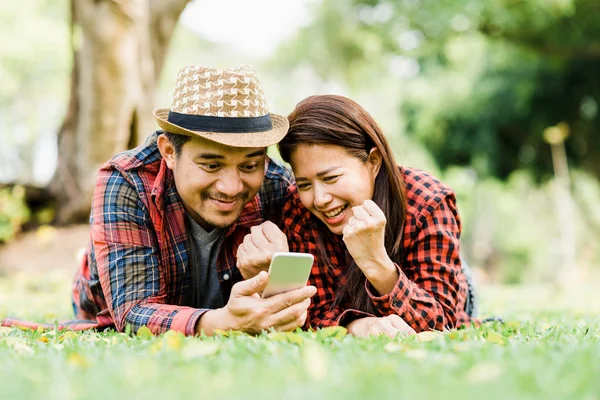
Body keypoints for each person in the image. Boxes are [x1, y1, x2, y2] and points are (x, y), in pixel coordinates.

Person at [1, 65, 316, 336]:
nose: (232, 187)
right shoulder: (125, 182)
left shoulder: (277, 184)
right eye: (211, 165)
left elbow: (318, 295)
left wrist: (275, 278)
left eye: (249, 165)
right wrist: (225, 321)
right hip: (105, 307)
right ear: (169, 152)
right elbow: (133, 311)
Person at [236, 95, 473, 337]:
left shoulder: (427, 201)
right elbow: (306, 312)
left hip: (440, 281)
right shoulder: (297, 207)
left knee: (463, 286)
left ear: (373, 161)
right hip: (352, 297)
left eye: (331, 178)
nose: (319, 199)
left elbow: (441, 322)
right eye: (305, 184)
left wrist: (377, 263)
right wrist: (355, 326)